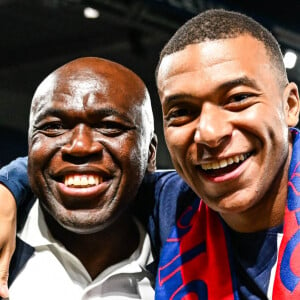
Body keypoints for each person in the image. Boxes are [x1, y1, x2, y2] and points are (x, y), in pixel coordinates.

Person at [0, 8, 300, 299]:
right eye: (182, 112)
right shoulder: (175, 205)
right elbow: (72, 167)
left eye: (238, 98)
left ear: (290, 106)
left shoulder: (173, 208)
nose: (209, 132)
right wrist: (7, 190)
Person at [0, 56, 159, 299]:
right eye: (54, 126)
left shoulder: (189, 259)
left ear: (150, 154)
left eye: (109, 125)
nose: (79, 147)